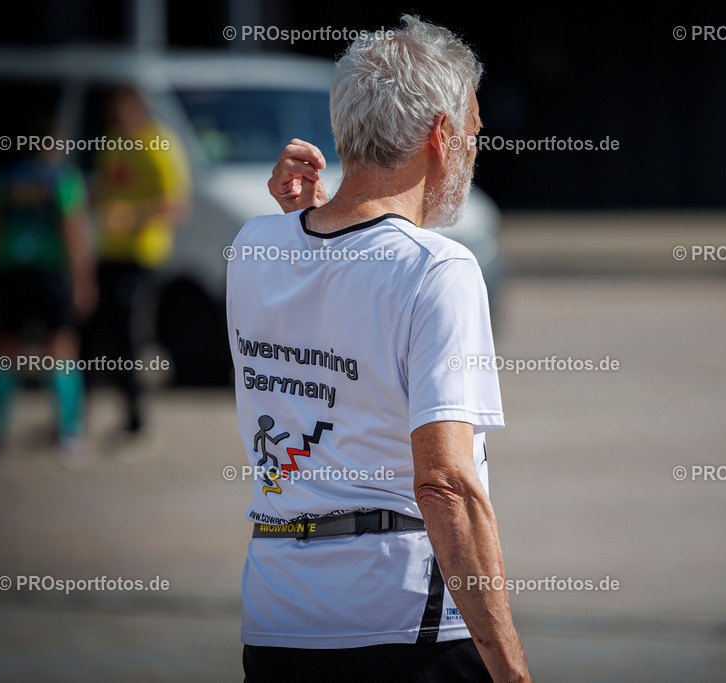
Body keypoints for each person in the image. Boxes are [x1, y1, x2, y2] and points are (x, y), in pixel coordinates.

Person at [229, 16, 530, 682]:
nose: (476, 150)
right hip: (403, 624)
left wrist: (303, 217)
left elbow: (330, 292)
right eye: (475, 131)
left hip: (278, 620)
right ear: (440, 137)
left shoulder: (254, 246)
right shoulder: (437, 270)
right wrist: (511, 669)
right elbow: (447, 484)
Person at [0, 124, 97, 459]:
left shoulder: (7, 177)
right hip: (49, 272)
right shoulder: (62, 178)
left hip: (10, 271)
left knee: (6, 349)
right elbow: (73, 230)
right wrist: (83, 280)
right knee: (61, 347)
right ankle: (68, 434)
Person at [85, 86, 190, 433]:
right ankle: (77, 416)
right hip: (109, 252)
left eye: (122, 109)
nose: (116, 117)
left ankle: (134, 418)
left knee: (128, 335)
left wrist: (132, 216)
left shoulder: (159, 144)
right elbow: (102, 190)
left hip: (143, 255)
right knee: (92, 332)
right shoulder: (112, 142)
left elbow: (176, 204)